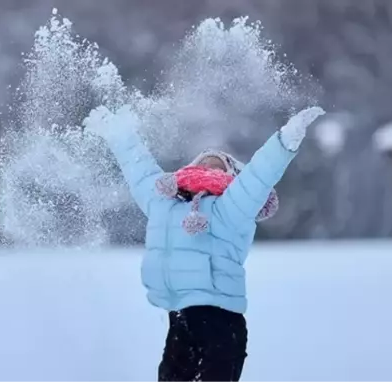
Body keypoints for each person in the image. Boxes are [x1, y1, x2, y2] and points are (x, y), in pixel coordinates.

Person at [83, 105, 325, 382]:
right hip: (180, 318)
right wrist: (119, 134)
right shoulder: (163, 202)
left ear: (233, 176)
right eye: (203, 162)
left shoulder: (232, 206)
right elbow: (139, 170)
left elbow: (259, 176)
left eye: (218, 164)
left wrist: (284, 141)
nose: (208, 166)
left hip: (221, 321)